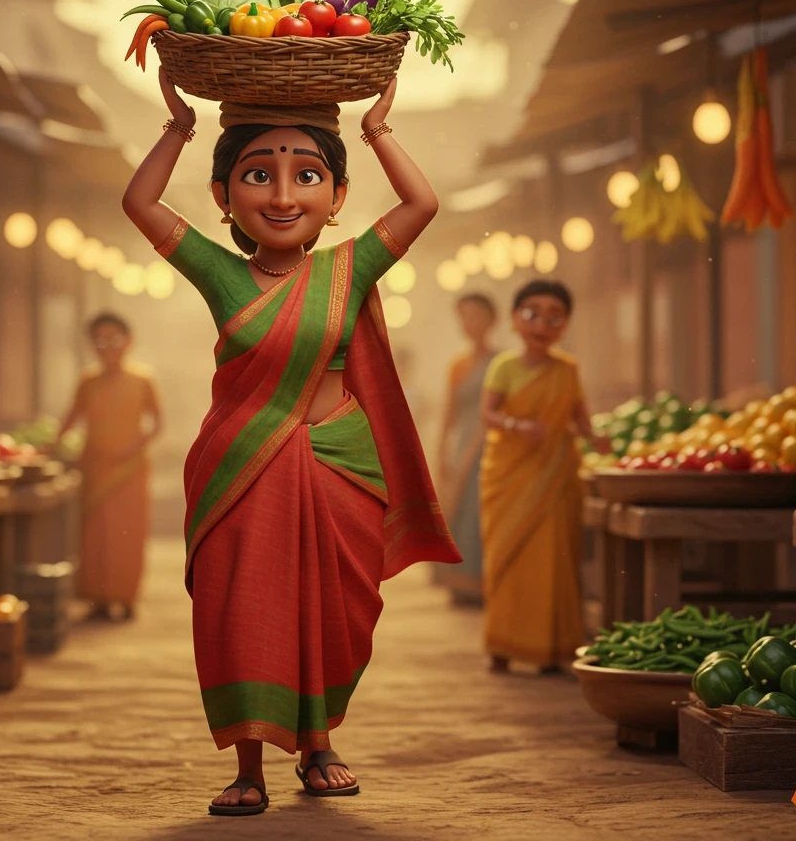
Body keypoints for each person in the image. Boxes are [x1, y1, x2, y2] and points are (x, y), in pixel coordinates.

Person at [122, 71, 459, 817]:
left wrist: (377, 130)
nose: (282, 196)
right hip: (242, 471)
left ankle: (320, 745)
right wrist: (177, 126)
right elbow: (140, 205)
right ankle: (249, 766)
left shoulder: (350, 269)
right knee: (243, 611)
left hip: (340, 466)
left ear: (336, 197)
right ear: (223, 195)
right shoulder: (221, 276)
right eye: (256, 175)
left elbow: (422, 204)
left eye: (307, 175)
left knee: (334, 614)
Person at [478, 280, 610, 673]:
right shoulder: (504, 366)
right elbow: (489, 415)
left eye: (555, 317)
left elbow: (581, 419)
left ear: (564, 325)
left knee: (555, 562)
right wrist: (517, 425)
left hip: (555, 478)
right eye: (532, 313)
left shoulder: (567, 370)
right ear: (515, 319)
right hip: (510, 477)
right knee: (509, 558)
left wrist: (597, 439)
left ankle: (552, 648)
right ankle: (503, 643)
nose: (542, 324)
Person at [53, 312, 161, 621]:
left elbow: (156, 423)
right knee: (96, 536)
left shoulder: (143, 380)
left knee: (128, 534)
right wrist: (47, 449)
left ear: (129, 342)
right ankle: (98, 599)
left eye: (114, 340)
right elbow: (71, 419)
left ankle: (125, 598)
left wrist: (136, 444)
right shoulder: (88, 382)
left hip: (130, 470)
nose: (107, 347)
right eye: (100, 340)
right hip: (95, 467)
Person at [435, 293, 498, 606]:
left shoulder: (500, 363)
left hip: (492, 447)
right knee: (459, 510)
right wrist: (441, 454)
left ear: (492, 320)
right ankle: (460, 584)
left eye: (477, 315)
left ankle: (486, 584)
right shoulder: (458, 365)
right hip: (462, 447)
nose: (471, 322)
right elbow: (449, 413)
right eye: (465, 316)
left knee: (481, 512)